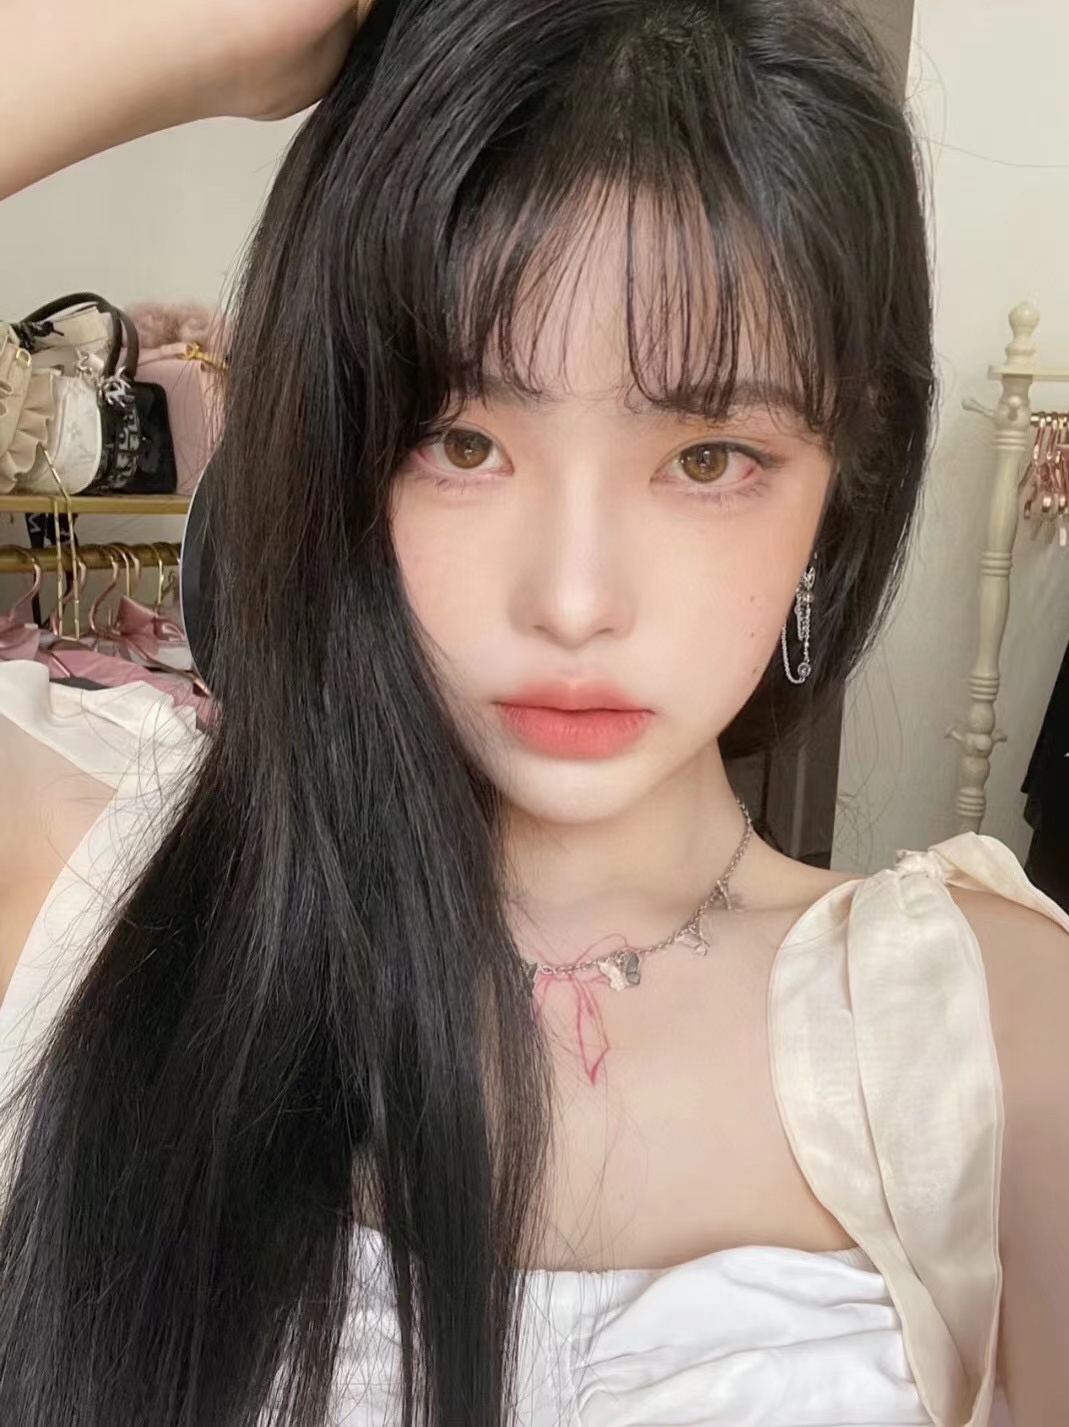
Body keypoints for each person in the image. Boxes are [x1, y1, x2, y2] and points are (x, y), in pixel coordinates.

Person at [0, 1, 1066, 1424]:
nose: (572, 601)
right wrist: (203, 32)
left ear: (841, 478)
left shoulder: (994, 1040)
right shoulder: (94, 901)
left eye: (707, 457)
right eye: (462, 442)